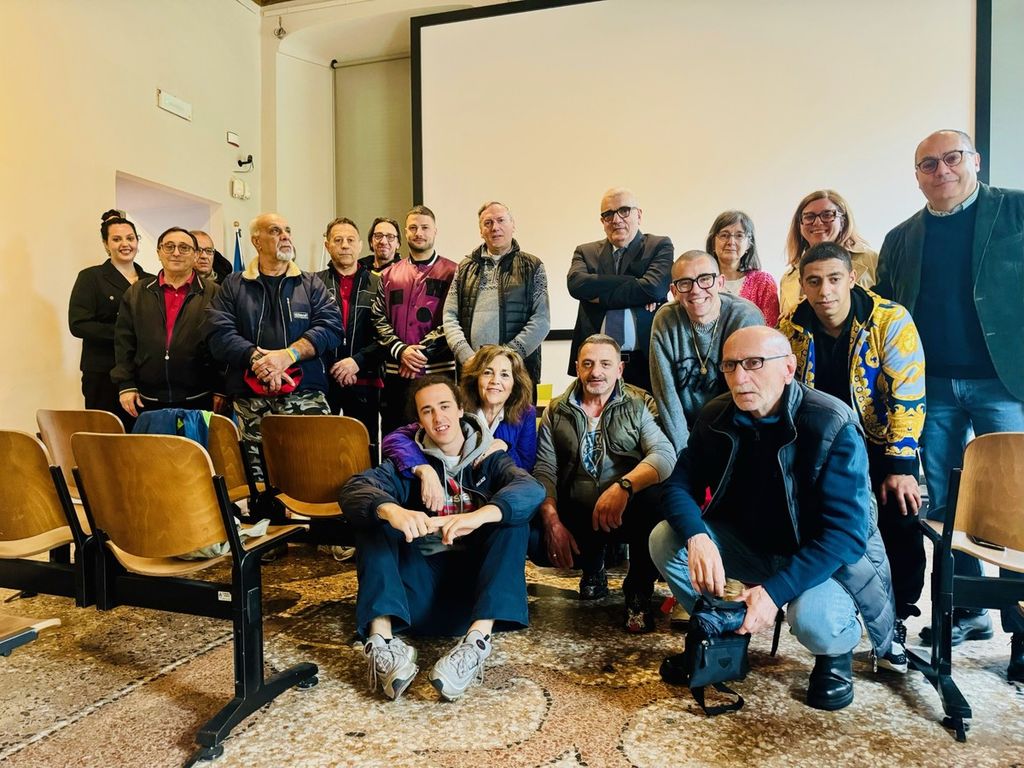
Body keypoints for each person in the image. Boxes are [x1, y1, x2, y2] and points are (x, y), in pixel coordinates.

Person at [650, 326, 895, 711]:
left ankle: (834, 656)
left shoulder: (832, 422)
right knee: (666, 539)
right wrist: (698, 537)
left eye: (754, 363)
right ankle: (724, 633)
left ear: (788, 368)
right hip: (752, 546)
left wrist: (774, 593)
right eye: (730, 365)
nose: (739, 377)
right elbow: (679, 485)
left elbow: (846, 535)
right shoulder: (716, 415)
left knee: (815, 622)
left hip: (823, 561)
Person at [876, 128, 1024, 681]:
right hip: (932, 388)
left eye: (952, 158)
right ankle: (966, 609)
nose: (942, 171)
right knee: (944, 504)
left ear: (975, 161)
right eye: (928, 164)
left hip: (1003, 383)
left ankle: (1020, 626)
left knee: (1013, 504)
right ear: (917, 176)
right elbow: (888, 315)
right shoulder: (901, 238)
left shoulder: (1015, 211)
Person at [338, 375, 544, 701]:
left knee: (512, 521)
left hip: (476, 597)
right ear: (418, 420)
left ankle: (475, 645)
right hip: (414, 596)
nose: (438, 418)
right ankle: (383, 643)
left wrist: (478, 516)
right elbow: (354, 489)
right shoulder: (408, 464)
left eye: (445, 406)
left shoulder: (491, 458)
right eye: (427, 411)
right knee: (373, 517)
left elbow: (531, 489)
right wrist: (393, 511)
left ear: (461, 409)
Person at [779, 241, 926, 673]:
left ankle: (898, 616)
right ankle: (830, 608)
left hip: (881, 444)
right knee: (822, 525)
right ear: (802, 284)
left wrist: (901, 465)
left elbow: (908, 392)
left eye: (834, 279)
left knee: (899, 517)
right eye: (814, 281)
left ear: (852, 278)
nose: (824, 290)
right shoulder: (791, 328)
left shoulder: (890, 319)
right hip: (821, 447)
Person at [532, 334, 675, 633]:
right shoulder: (556, 410)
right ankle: (592, 566)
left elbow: (663, 455)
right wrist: (552, 521)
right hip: (578, 508)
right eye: (588, 364)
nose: (596, 371)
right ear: (577, 367)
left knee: (657, 498)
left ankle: (638, 591)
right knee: (537, 520)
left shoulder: (640, 403)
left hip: (626, 508)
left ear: (619, 369)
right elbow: (545, 469)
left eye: (605, 364)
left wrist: (624, 487)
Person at [206, 213, 344, 482]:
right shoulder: (233, 285)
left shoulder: (311, 284)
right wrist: (259, 360)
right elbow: (218, 333)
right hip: (250, 398)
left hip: (306, 396)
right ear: (256, 241)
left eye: (287, 230)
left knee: (314, 475)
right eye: (275, 231)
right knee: (259, 481)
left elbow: (331, 328)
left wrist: (288, 356)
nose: (285, 236)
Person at [382, 345, 538, 510]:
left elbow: (526, 469)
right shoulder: (456, 406)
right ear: (476, 377)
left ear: (515, 382)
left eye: (504, 374)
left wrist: (505, 446)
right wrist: (423, 468)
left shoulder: (526, 413)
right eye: (487, 372)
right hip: (455, 496)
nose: (495, 381)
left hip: (498, 501)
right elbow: (394, 439)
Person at [649, 250, 763, 455]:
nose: (696, 290)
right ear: (674, 291)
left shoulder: (745, 316)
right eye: (685, 283)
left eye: (705, 279)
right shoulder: (665, 319)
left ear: (720, 282)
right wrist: (686, 454)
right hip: (686, 431)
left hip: (736, 432)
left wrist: (728, 448)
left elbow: (751, 390)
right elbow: (665, 392)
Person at [567, 188, 673, 393]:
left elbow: (653, 287)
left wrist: (600, 296)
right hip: (596, 364)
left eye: (624, 211)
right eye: (608, 214)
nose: (616, 219)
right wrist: (635, 284)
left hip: (645, 361)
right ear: (602, 221)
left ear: (638, 215)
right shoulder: (586, 252)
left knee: (647, 413)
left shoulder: (659, 246)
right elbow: (576, 285)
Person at [112, 227, 223, 417]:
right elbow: (124, 342)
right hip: (147, 399)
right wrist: (126, 384)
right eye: (169, 247)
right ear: (159, 252)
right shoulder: (137, 292)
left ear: (195, 255)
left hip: (200, 397)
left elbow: (223, 343)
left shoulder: (215, 293)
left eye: (184, 248)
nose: (176, 253)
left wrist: (222, 388)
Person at [442, 202, 550, 390]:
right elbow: (449, 316)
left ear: (513, 225)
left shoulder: (533, 266)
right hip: (472, 371)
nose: (495, 227)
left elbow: (541, 320)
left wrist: (506, 358)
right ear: (481, 231)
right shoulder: (464, 268)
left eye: (501, 220)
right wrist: (467, 356)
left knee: (518, 411)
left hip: (517, 372)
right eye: (488, 223)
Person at [372, 205, 457, 436]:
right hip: (396, 375)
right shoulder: (388, 275)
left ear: (435, 231)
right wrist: (401, 351)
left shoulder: (454, 273)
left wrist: (419, 355)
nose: (419, 232)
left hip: (438, 372)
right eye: (413, 228)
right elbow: (378, 318)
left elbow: (454, 319)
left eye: (425, 227)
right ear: (405, 233)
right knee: (396, 439)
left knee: (437, 437)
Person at [68, 210, 151, 428]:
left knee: (143, 437)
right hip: (103, 373)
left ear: (137, 241)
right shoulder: (91, 277)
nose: (125, 244)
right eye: (116, 239)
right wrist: (126, 334)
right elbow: (79, 324)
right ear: (106, 244)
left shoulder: (150, 281)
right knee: (107, 436)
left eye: (130, 238)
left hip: (144, 372)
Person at [317, 217, 385, 453]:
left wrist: (357, 362)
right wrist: (337, 367)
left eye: (350, 240)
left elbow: (387, 334)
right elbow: (310, 331)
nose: (345, 245)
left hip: (365, 379)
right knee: (323, 449)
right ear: (327, 245)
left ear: (360, 245)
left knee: (364, 449)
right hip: (324, 381)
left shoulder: (380, 284)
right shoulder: (313, 284)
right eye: (338, 240)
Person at [779, 190, 878, 317]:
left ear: (843, 221)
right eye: (809, 217)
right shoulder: (788, 278)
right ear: (800, 224)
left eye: (827, 215)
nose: (818, 222)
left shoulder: (871, 260)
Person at [704, 210, 780, 326]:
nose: (731, 242)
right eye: (724, 235)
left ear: (749, 244)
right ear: (713, 242)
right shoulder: (701, 282)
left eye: (739, 235)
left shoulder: (763, 283)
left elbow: (771, 329)